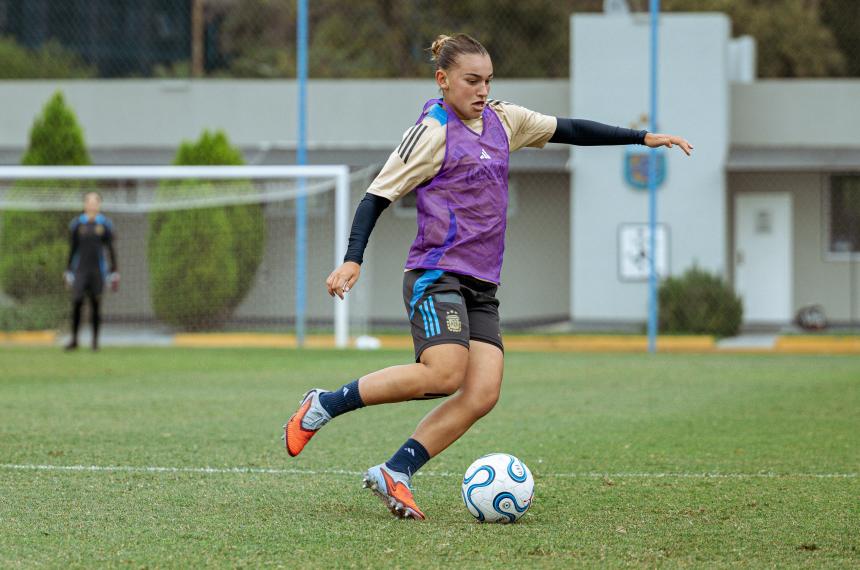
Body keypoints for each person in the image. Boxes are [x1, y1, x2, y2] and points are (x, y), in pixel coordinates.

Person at [284, 33, 692, 520]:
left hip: (481, 285)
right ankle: (325, 404)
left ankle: (396, 471)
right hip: (436, 274)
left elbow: (569, 129)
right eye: (471, 80)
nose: (481, 90)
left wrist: (640, 138)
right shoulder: (431, 132)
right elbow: (375, 196)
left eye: (487, 80)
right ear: (443, 80)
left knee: (482, 392)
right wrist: (353, 259)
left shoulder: (504, 119)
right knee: (445, 373)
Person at [64, 192, 119, 351]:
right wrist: (68, 270)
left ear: (99, 205)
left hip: (98, 271)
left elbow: (110, 248)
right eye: (89, 201)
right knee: (77, 303)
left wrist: (114, 270)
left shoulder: (105, 225)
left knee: (96, 304)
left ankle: (95, 342)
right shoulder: (77, 224)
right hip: (80, 270)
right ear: (84, 204)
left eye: (95, 202)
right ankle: (74, 340)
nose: (92, 204)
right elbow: (72, 249)